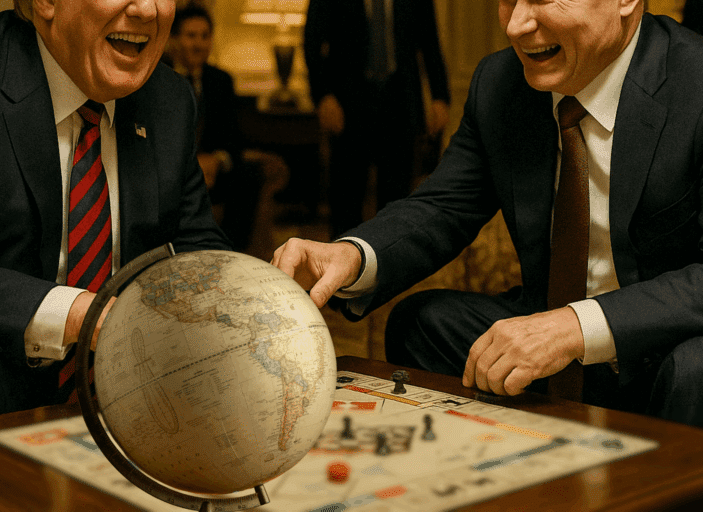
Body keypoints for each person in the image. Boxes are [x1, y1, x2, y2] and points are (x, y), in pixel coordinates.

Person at [273, 0, 703, 427]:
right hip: (544, 324)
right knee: (420, 324)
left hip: (663, 344)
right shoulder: (500, 82)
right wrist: (351, 255)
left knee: (696, 367)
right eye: (508, 0)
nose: (516, 24)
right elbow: (444, 204)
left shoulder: (695, 80)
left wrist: (577, 326)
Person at [0, 0, 231, 426]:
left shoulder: (169, 100)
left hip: (131, 384)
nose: (148, 9)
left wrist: (254, 291)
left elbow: (193, 244)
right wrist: (76, 314)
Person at [303, 0, 452, 238]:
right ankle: (344, 269)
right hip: (348, 108)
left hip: (400, 106)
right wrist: (323, 97)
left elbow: (430, 43)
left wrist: (440, 97)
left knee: (397, 203)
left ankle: (391, 268)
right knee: (346, 202)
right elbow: (312, 42)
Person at [169, 3, 263, 253]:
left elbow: (234, 138)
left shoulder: (221, 81)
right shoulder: (160, 79)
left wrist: (217, 160)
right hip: (173, 172)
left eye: (204, 36)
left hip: (214, 174)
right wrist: (191, 164)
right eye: (190, 36)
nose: (198, 44)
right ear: (175, 39)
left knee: (248, 176)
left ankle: (233, 256)